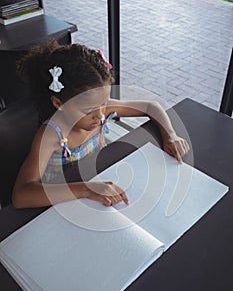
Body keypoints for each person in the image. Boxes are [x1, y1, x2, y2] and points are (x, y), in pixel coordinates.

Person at [12, 39, 190, 209]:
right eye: (88, 111)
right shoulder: (51, 134)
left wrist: (170, 135)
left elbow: (151, 106)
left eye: (103, 103)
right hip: (64, 199)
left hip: (98, 178)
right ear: (59, 104)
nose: (99, 116)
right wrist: (85, 189)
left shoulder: (99, 110)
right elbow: (21, 195)